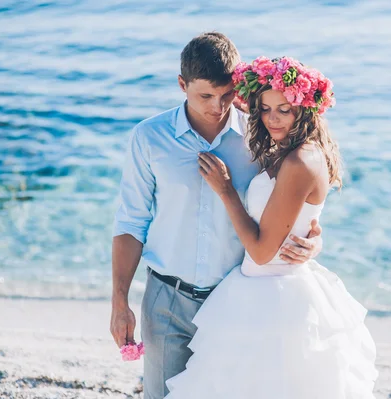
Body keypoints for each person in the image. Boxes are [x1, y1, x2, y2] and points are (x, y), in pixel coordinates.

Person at [110, 33, 324, 399]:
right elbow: (131, 222)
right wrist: (119, 300)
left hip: (235, 301)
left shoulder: (260, 133)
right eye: (205, 96)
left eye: (226, 95)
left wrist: (314, 240)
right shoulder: (149, 137)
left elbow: (293, 200)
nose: (217, 106)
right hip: (166, 300)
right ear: (182, 85)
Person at [164, 56, 378, 398]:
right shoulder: (291, 148)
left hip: (274, 299)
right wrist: (235, 97)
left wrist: (225, 190)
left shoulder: (299, 161)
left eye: (284, 109)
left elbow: (263, 252)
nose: (271, 119)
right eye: (264, 109)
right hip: (264, 289)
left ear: (304, 110)